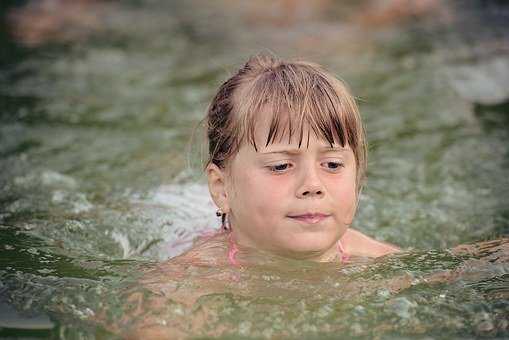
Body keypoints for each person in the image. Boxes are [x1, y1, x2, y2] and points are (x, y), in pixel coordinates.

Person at [203, 53, 400, 266]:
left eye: (332, 164)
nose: (313, 185)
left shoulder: (385, 263)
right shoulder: (190, 283)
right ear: (221, 188)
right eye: (280, 166)